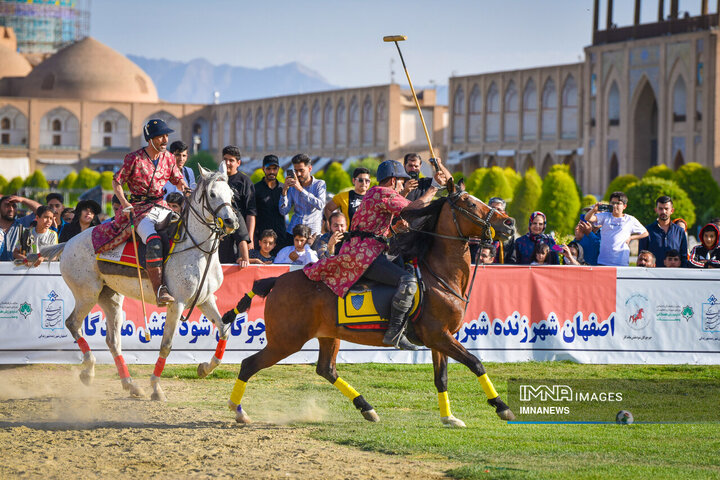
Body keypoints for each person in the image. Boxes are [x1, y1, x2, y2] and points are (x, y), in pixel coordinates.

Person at [304, 158, 447, 350]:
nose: (403, 184)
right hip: (365, 255)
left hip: (369, 249)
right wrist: (435, 186)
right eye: (401, 181)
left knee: (409, 270)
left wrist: (395, 229)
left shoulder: (376, 194)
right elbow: (416, 207)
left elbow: (377, 229)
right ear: (392, 180)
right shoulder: (382, 192)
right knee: (408, 281)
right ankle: (394, 332)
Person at [91, 118, 190, 305]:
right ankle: (159, 290)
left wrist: (185, 188)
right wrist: (124, 202)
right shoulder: (134, 158)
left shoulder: (169, 157)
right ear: (150, 139)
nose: (165, 140)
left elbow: (177, 179)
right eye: (161, 136)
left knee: (181, 231)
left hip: (161, 206)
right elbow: (117, 181)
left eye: (166, 136)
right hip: (139, 210)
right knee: (153, 240)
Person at [585, 191, 648, 266]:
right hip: (604, 261)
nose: (615, 205)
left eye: (618, 203)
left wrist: (631, 238)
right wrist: (593, 210)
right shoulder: (605, 216)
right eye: (612, 203)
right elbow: (588, 218)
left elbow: (645, 233)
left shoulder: (630, 219)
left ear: (624, 206)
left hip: (621, 262)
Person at [218, 145, 255, 267]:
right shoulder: (217, 180)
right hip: (221, 231)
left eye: (231, 160)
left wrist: (249, 238)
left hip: (240, 230)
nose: (227, 163)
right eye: (225, 159)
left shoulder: (244, 181)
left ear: (238, 163)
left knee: (241, 263)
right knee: (222, 264)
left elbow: (251, 212)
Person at [279, 154, 326, 237]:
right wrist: (285, 190)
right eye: (296, 171)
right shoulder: (292, 187)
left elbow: (320, 205)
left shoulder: (319, 184)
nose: (298, 174)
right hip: (293, 232)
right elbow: (283, 211)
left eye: (301, 170)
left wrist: (301, 189)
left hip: (312, 233)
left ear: (310, 168)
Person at [638, 196, 688, 268]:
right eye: (660, 209)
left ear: (672, 211)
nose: (663, 211)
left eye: (666, 209)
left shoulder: (680, 231)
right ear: (656, 210)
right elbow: (641, 256)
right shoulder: (646, 231)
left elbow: (684, 256)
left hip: (675, 274)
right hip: (653, 274)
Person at [253, 155, 288, 253]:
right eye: (268, 169)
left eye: (274, 168)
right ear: (263, 169)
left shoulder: (283, 188)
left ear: (278, 169)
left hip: (280, 238)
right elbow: (251, 214)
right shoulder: (256, 189)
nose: (272, 172)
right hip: (262, 240)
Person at [0, 195, 41, 261]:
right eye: (7, 205)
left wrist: (22, 200)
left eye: (14, 206)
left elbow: (41, 211)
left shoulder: (22, 223)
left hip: (17, 269)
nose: (11, 209)